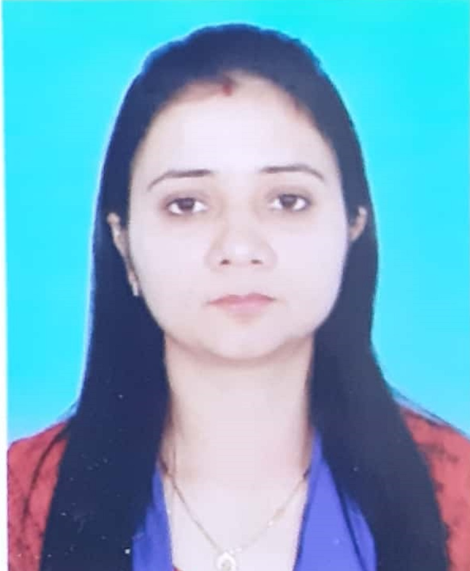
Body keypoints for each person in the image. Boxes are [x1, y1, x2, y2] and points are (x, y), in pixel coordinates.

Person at [7, 23, 470, 571]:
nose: (240, 247)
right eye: (186, 205)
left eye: (288, 200)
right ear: (124, 243)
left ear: (352, 226)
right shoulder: (21, 500)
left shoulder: (456, 492)